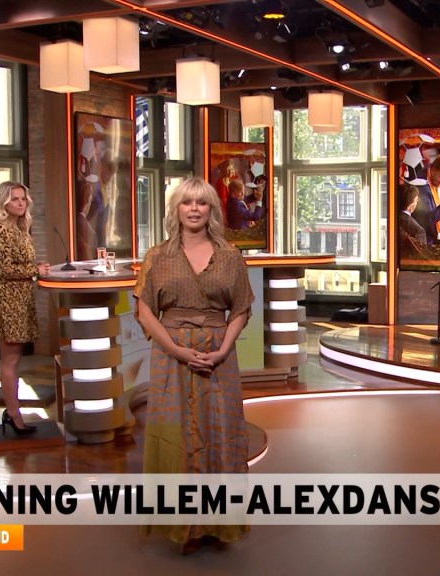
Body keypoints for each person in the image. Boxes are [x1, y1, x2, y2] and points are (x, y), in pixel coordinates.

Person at [133, 177, 254, 553]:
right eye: (187, 203)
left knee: (221, 435)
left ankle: (219, 523)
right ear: (176, 209)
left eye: (201, 203)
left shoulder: (230, 255)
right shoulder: (157, 257)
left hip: (218, 356)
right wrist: (176, 350)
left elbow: (241, 309)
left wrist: (223, 350)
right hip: (171, 358)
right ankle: (187, 526)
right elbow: (145, 311)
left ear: (212, 209)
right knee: (178, 438)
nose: (194, 209)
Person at [0, 181, 50, 435]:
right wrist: (35, 269)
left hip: (21, 299)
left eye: (23, 199)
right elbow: (4, 269)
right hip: (8, 300)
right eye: (15, 199)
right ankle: (13, 414)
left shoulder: (20, 228)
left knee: (16, 359)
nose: (21, 203)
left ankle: (13, 411)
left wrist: (37, 267)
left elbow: (19, 263)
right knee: (10, 360)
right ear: (4, 203)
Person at [413, 153, 440, 244]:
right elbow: (426, 220)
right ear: (433, 170)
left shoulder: (432, 175)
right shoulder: (421, 188)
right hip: (424, 239)